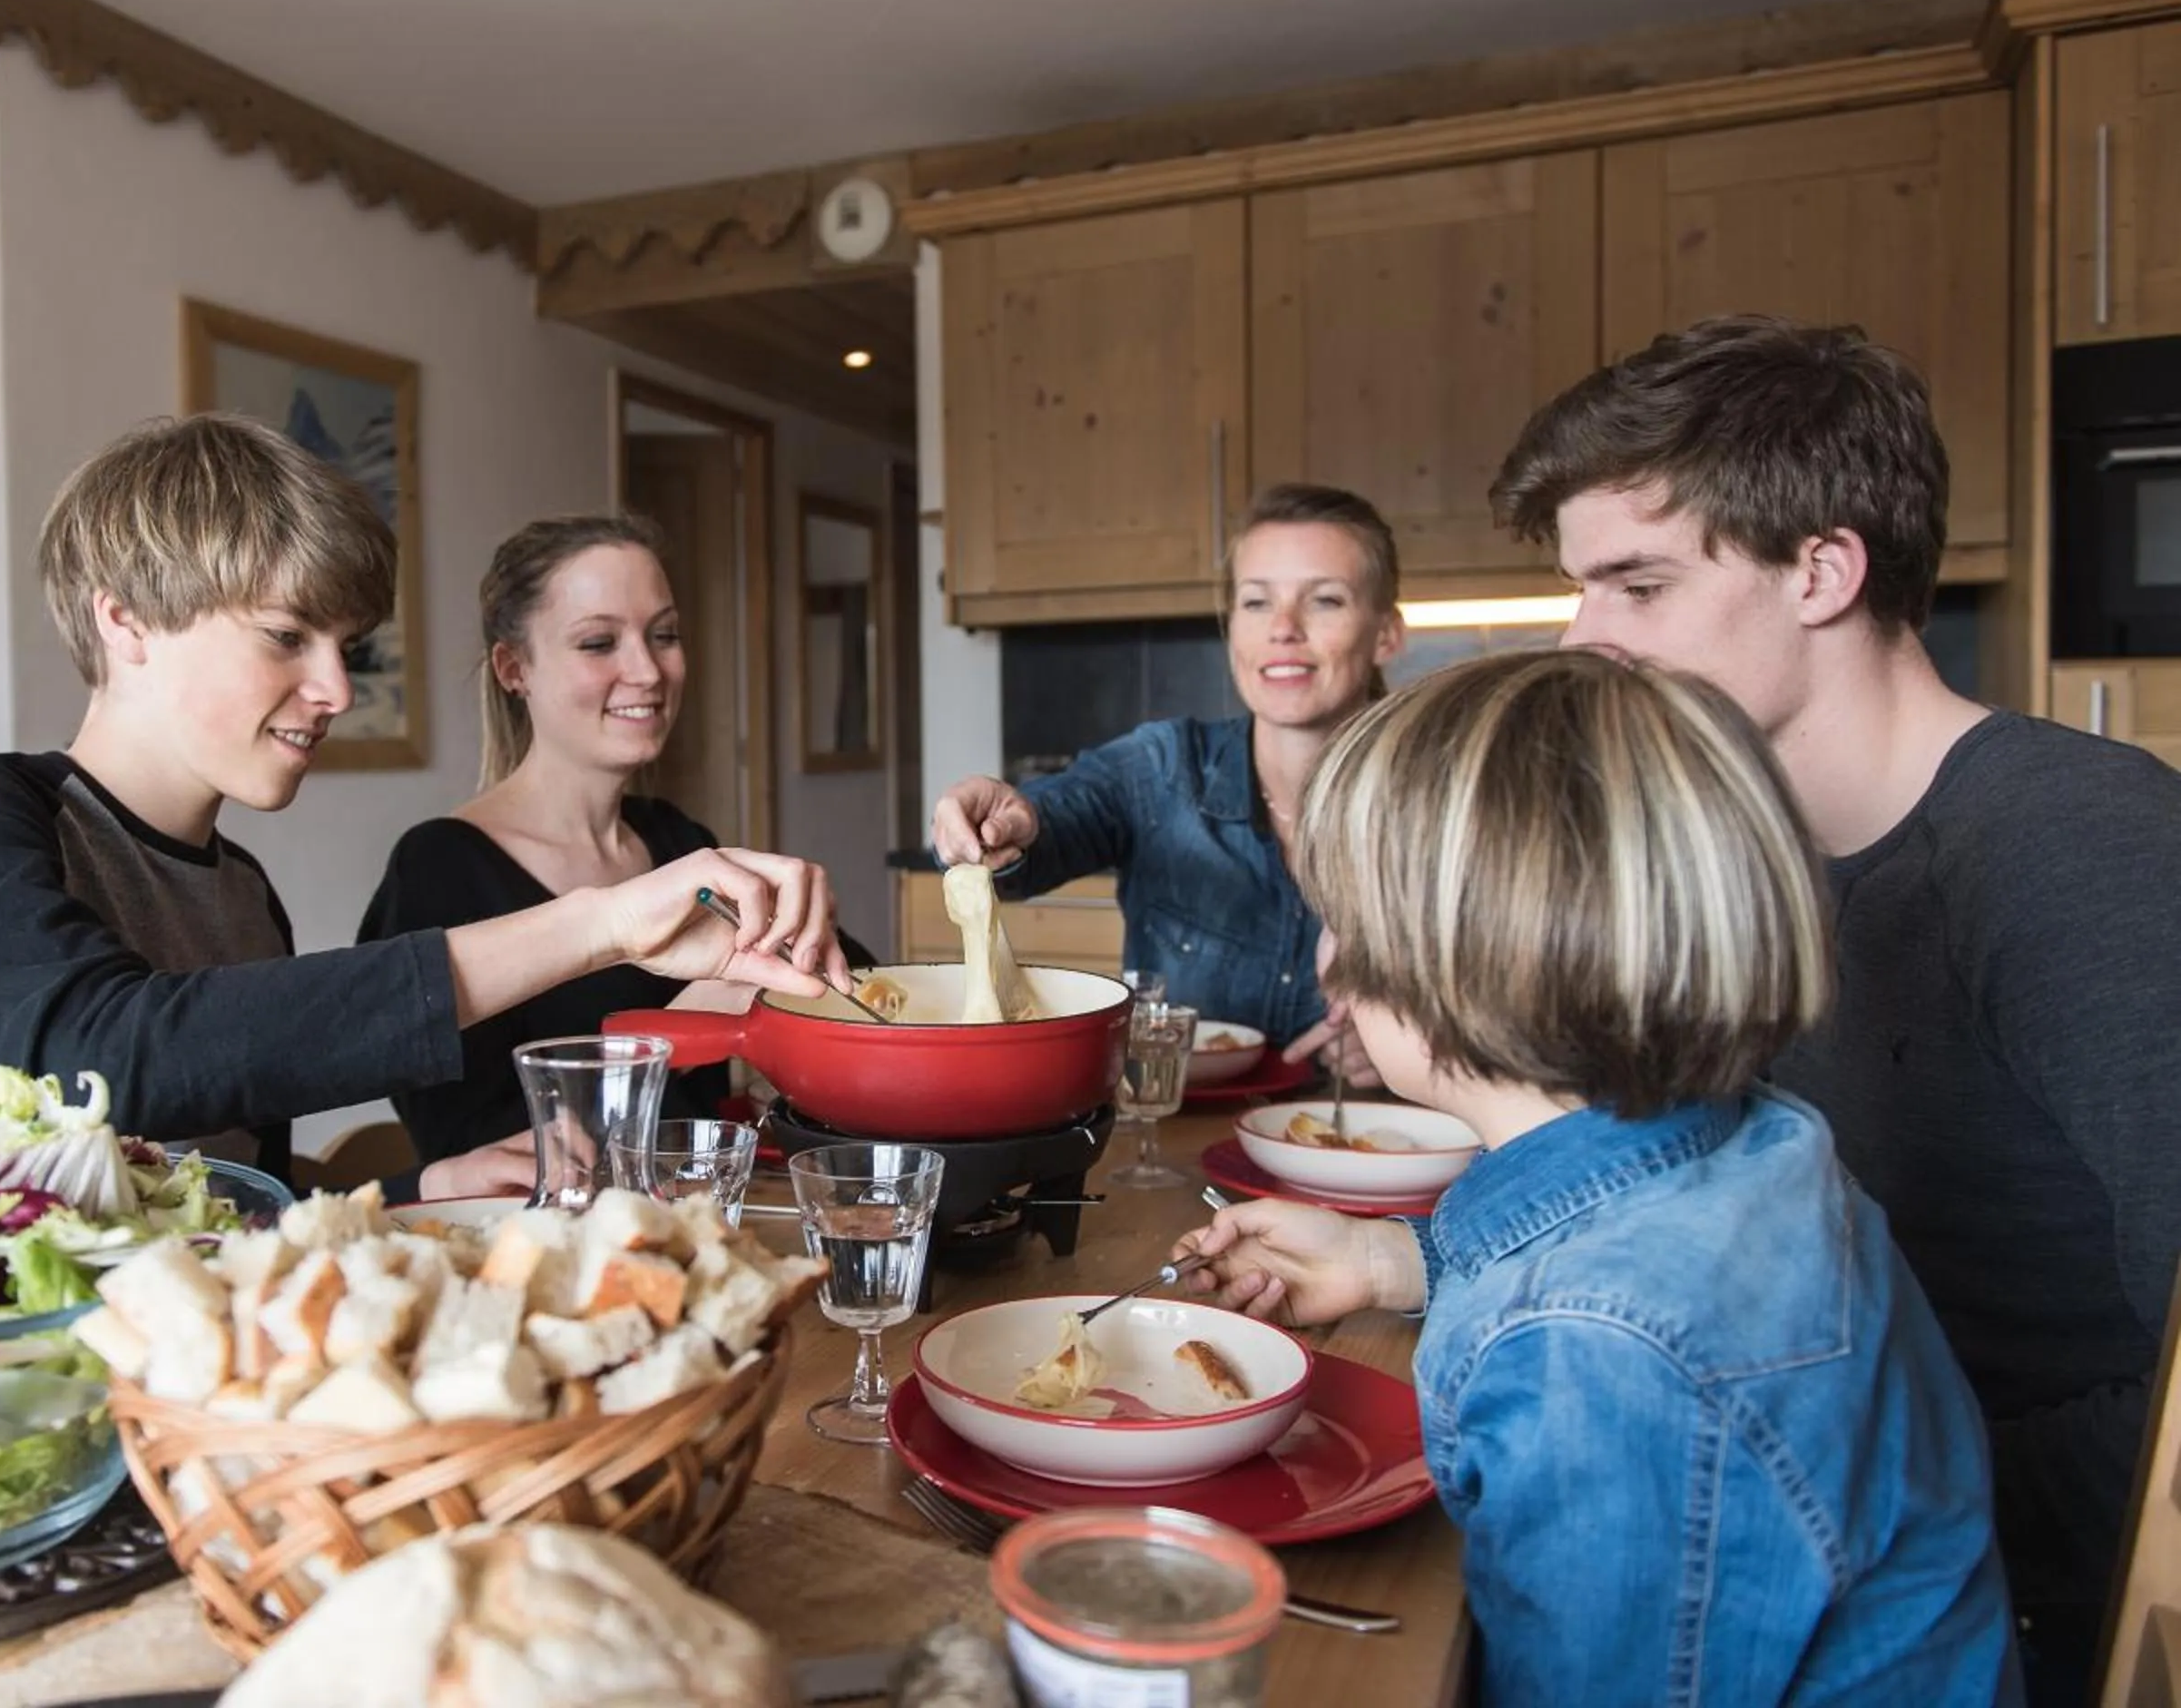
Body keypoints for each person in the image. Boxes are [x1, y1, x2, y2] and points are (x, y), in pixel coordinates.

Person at [1481, 314, 2179, 1701]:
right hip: (1827, 1510)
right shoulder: (1762, 861)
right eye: (1582, 590)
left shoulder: (2079, 849)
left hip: (1990, 1611)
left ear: (1823, 568)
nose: (1585, 637)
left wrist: (1880, 1484)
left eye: (1637, 585)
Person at [1177, 650, 2019, 1705]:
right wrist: (1397, 1256)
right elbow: (1599, 1234)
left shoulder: (1606, 1356)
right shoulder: (1740, 1142)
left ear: (1452, 964)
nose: (1329, 960)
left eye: (1344, 917)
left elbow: (1607, 1330)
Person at [0, 416, 848, 1202]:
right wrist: (600, 923)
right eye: (286, 636)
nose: (339, 690)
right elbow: (105, 1059)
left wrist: (411, 1193)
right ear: (124, 621)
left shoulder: (242, 896)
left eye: (346, 647)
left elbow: (205, 1207)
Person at [930, 484, 1404, 1082]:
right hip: (1170, 1153)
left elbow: (1514, 1011)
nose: (1283, 628)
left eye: (1326, 600)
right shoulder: (1162, 769)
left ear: (1386, 631)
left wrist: (1416, 1045)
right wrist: (993, 827)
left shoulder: (1443, 807)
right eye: (1257, 602)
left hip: (1372, 1155)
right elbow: (1048, 825)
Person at [358, 514, 745, 1163]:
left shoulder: (679, 841)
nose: (648, 670)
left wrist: (966, 857)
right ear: (515, 669)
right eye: (599, 643)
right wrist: (684, 1027)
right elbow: (473, 1150)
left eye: (665, 635)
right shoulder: (439, 871)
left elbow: (858, 989)